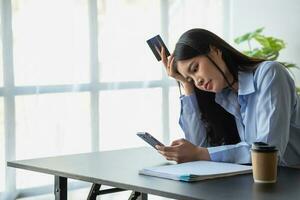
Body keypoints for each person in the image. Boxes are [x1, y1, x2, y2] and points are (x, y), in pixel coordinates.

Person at [156, 28, 300, 166]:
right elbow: (198, 146)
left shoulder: (270, 74)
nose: (197, 81)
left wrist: (200, 153)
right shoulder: (225, 96)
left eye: (195, 68)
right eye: (191, 79)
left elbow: (267, 152)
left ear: (215, 50)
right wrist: (185, 84)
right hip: (264, 181)